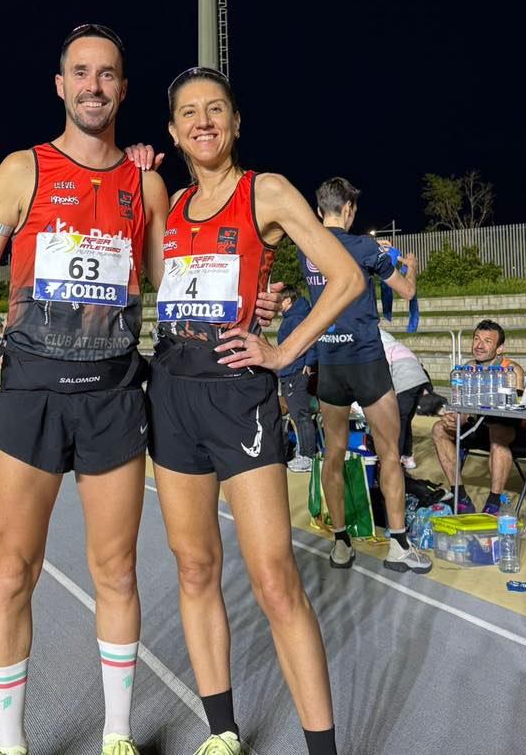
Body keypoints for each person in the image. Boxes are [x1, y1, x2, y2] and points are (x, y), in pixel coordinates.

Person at [0, 27, 281, 755]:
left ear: (124, 90)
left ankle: (117, 738)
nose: (94, 85)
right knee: (12, 570)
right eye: (81, 73)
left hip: (115, 394)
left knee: (117, 569)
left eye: (109, 75)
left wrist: (255, 301)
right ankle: (10, 742)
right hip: (30, 390)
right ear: (60, 84)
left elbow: (176, 278)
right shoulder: (20, 169)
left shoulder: (147, 183)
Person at [144, 66, 364, 755]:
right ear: (175, 131)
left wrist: (284, 350)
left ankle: (321, 749)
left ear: (236, 124)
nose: (203, 120)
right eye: (189, 113)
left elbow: (347, 276)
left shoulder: (262, 190)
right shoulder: (174, 204)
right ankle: (223, 733)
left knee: (273, 577)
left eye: (217, 109)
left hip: (238, 397)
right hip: (173, 395)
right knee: (194, 567)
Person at [300, 177, 432, 575]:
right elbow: (406, 292)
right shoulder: (366, 246)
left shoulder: (307, 248)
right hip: (368, 361)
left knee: (334, 455)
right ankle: (398, 545)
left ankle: (341, 542)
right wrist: (408, 265)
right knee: (389, 452)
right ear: (350, 209)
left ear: (320, 207)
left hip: (330, 363)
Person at [431, 319, 524, 515]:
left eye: (488, 341)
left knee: (497, 431)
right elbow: (465, 411)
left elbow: (518, 410)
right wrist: (456, 419)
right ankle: (460, 495)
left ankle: (494, 501)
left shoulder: (512, 370)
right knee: (439, 428)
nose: (479, 345)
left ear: (499, 349)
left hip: (508, 429)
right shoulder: (467, 369)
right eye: (476, 339)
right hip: (477, 427)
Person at [276, 287, 318, 473]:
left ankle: (308, 457)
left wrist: (309, 362)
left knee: (300, 416)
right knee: (298, 415)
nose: (277, 304)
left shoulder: (296, 318)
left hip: (295, 371)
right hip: (290, 370)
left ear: (288, 301)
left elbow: (312, 339)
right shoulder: (293, 317)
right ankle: (305, 453)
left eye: (280, 300)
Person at [379, 328, 431, 470]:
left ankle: (396, 460)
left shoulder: (382, 348)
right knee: (406, 421)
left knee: (398, 423)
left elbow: (385, 371)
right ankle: (407, 457)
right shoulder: (397, 346)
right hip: (419, 380)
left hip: (406, 381)